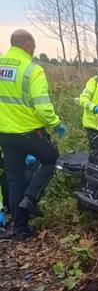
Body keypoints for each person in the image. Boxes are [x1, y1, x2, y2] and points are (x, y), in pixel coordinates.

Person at [0, 29, 66, 241]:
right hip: (29, 132)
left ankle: (19, 230)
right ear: (28, 44)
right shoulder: (32, 70)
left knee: (15, 179)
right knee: (51, 158)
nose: (34, 51)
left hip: (5, 134)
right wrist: (56, 124)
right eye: (34, 47)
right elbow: (42, 108)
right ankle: (30, 198)